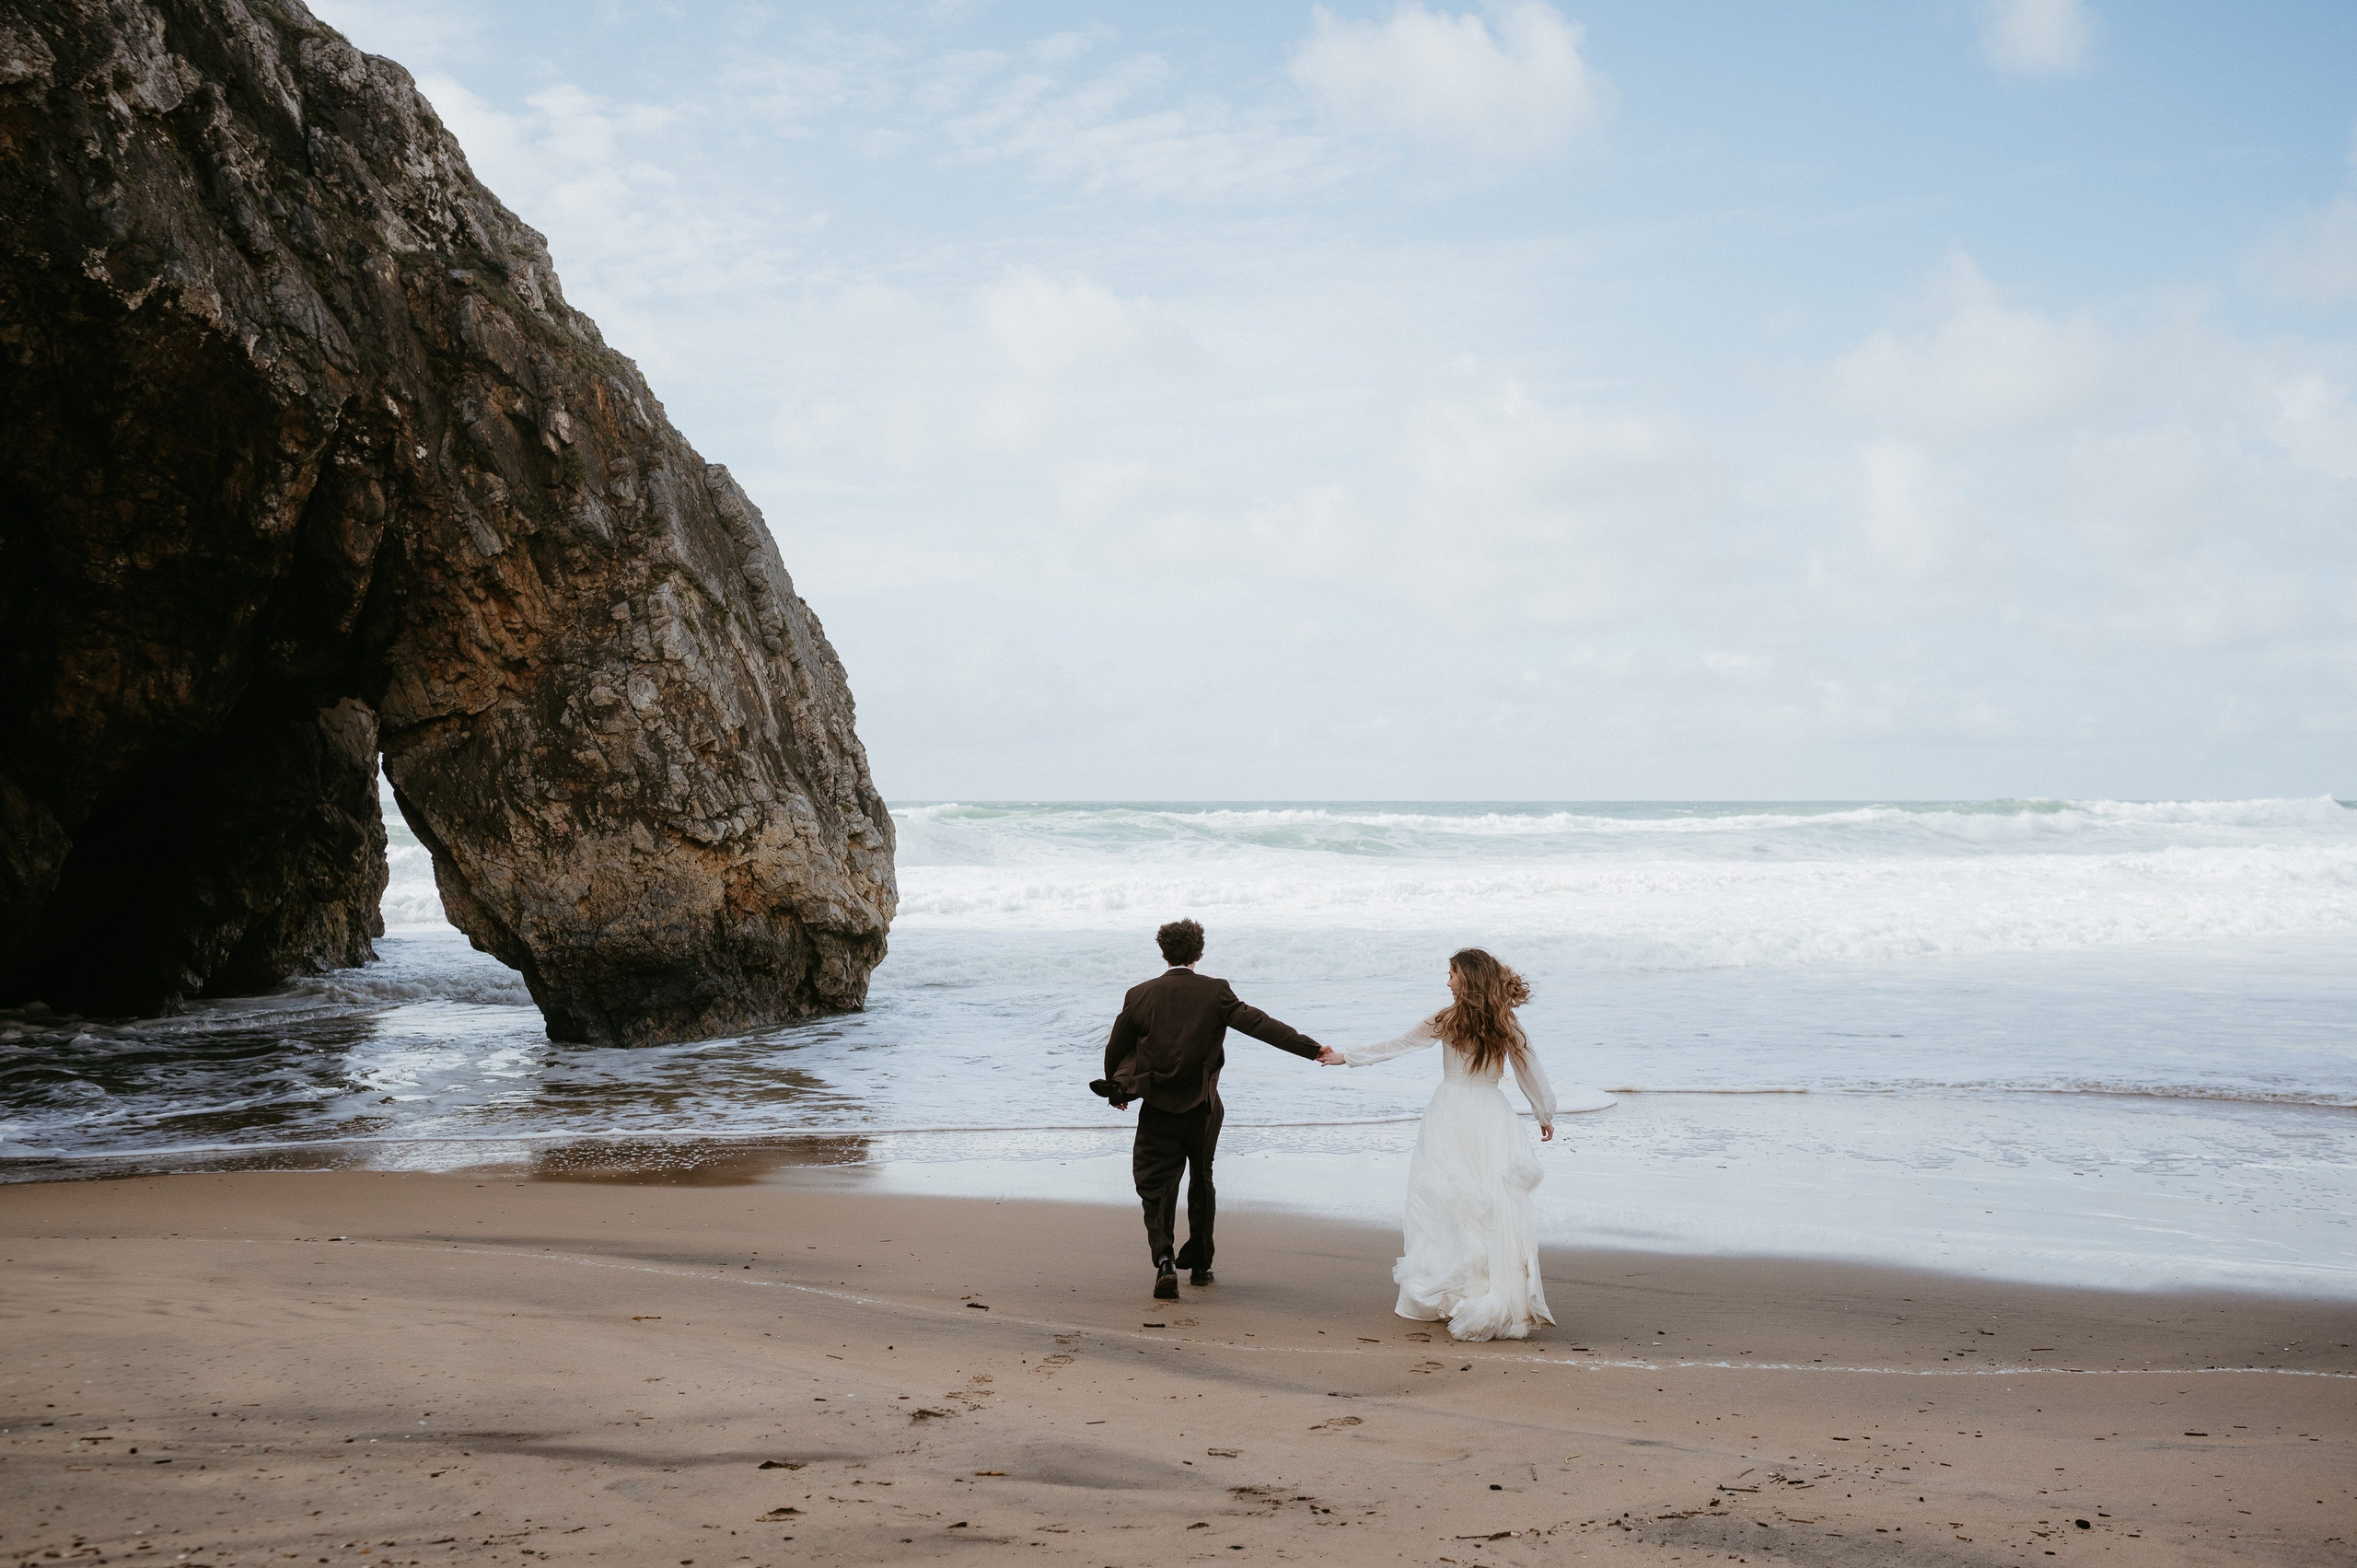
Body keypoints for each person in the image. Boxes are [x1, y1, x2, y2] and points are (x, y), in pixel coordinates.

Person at [1323, 947, 1556, 1341]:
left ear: (1466, 978)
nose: (1446, 981)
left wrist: (1346, 1058)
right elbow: (1529, 1069)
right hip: (1491, 1115)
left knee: (1445, 1203)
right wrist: (1543, 1112)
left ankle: (1451, 1294)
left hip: (1450, 1113)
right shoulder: (1505, 1021)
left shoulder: (1445, 1020)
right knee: (1486, 1203)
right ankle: (1475, 1289)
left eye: (1450, 974)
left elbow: (1396, 1046)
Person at [1096, 918, 1333, 1300]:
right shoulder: (1215, 992)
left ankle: (1165, 1260)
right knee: (1201, 1180)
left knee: (1156, 1186)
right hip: (1203, 1108)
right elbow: (1260, 1024)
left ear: (1163, 952)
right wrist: (1310, 1048)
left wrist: (1115, 1089)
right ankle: (1202, 1264)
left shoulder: (1139, 994)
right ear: (1199, 954)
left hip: (1158, 1106)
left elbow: (1116, 1046)